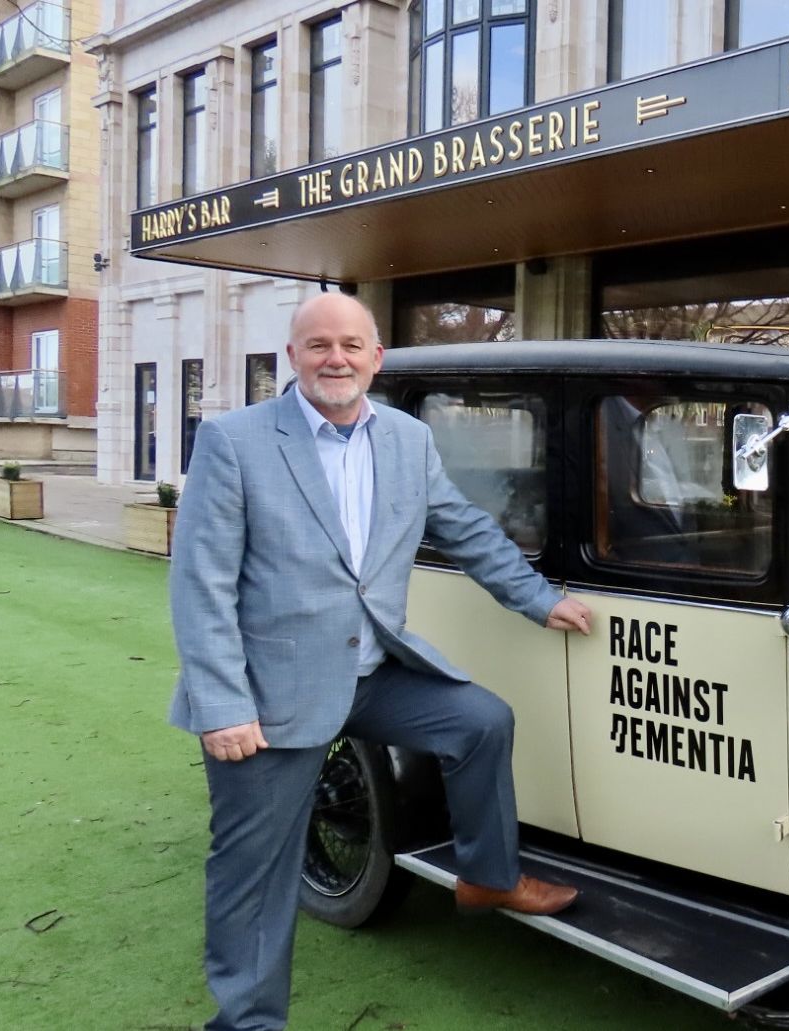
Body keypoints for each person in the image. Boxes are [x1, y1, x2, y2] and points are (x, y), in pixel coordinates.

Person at [167, 292, 593, 1031]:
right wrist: (223, 704)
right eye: (319, 345)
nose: (337, 357)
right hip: (269, 694)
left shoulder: (405, 437)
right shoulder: (235, 441)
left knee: (480, 721)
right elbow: (199, 581)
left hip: (371, 669)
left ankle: (486, 878)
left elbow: (461, 525)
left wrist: (536, 598)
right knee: (254, 872)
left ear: (376, 357)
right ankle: (247, 1020)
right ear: (292, 356)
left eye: (352, 345)